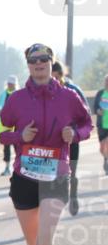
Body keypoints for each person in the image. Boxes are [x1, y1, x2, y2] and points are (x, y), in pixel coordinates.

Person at [0, 44, 92, 245]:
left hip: (56, 176)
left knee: (44, 240)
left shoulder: (69, 96)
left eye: (43, 59)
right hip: (24, 177)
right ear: (27, 64)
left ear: (52, 63)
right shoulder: (16, 99)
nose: (38, 63)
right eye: (33, 60)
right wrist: (20, 137)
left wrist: (74, 134)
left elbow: (87, 125)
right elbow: (2, 134)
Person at [51, 61, 88, 216]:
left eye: (55, 77)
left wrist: (74, 131)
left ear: (61, 75)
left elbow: (86, 116)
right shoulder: (43, 92)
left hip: (71, 140)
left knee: (71, 172)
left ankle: (73, 195)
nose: (53, 80)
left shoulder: (73, 90)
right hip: (52, 142)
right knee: (52, 175)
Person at [0, 76, 18, 176]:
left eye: (11, 84)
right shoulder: (3, 94)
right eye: (9, 83)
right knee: (6, 148)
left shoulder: (19, 94)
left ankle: (18, 167)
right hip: (5, 126)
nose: (10, 85)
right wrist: (1, 109)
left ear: (15, 84)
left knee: (18, 147)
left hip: (16, 126)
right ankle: (7, 168)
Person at [93, 74, 108, 175]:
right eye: (106, 81)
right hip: (101, 125)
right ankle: (106, 158)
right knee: (102, 147)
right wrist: (98, 111)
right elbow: (94, 107)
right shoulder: (100, 93)